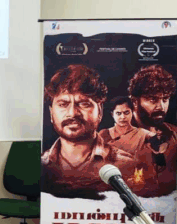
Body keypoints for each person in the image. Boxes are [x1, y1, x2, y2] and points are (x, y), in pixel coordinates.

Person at [41, 64, 143, 199]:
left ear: (100, 111)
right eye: (63, 104)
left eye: (84, 104)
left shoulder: (128, 166)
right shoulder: (41, 166)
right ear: (51, 113)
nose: (72, 113)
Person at [127, 65, 177, 175]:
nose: (161, 107)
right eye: (152, 99)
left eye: (165, 99)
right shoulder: (113, 139)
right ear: (135, 102)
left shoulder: (176, 134)